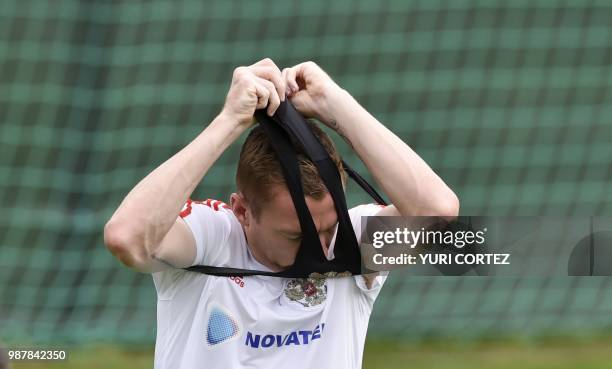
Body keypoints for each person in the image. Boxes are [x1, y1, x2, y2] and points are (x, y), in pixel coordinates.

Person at [104, 58, 459, 369]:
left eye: (328, 229)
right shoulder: (213, 237)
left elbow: (439, 216)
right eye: (294, 235)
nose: (321, 248)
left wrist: (332, 103)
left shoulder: (351, 243)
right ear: (242, 210)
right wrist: (230, 121)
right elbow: (127, 238)